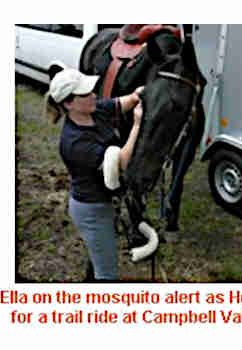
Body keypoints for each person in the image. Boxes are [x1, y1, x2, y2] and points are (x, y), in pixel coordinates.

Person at [46, 68, 143, 281]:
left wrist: (140, 95)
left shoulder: (93, 110)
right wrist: (137, 125)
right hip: (92, 210)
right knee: (107, 273)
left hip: (104, 201)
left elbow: (121, 103)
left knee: (101, 253)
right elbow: (120, 165)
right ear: (68, 103)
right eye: (86, 93)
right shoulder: (74, 142)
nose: (94, 95)